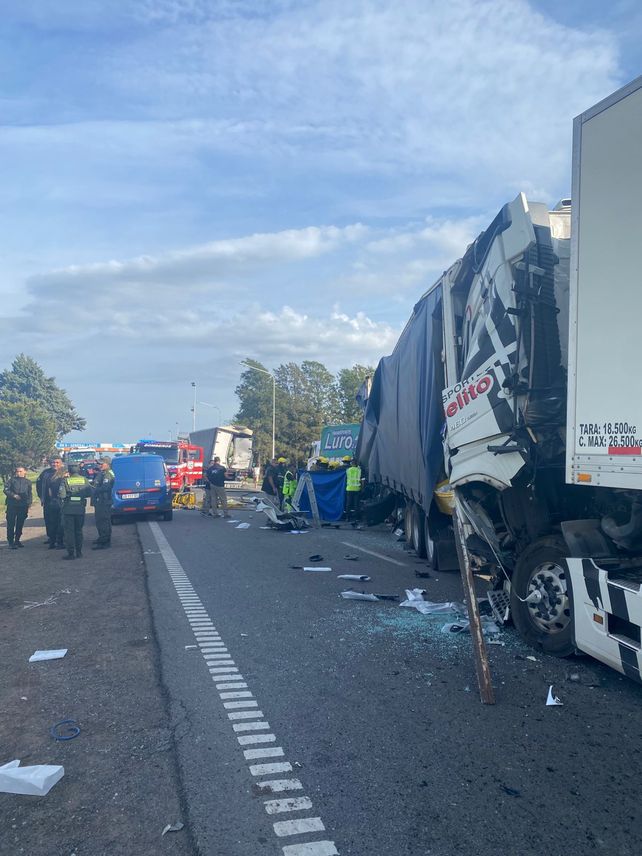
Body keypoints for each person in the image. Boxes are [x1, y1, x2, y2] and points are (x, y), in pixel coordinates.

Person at [58, 464, 92, 559]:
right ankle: (79, 552)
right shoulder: (84, 480)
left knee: (69, 532)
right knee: (78, 531)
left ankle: (71, 553)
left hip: (68, 510)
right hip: (80, 509)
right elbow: (89, 493)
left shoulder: (65, 481)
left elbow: (62, 495)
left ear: (69, 471)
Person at [4, 465, 32, 549]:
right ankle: (11, 542)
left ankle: (17, 540)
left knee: (20, 523)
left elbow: (29, 493)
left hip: (23, 505)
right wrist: (13, 495)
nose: (18, 473)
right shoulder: (11, 481)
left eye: (20, 471)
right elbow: (5, 490)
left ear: (25, 472)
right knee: (11, 523)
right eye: (17, 471)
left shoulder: (28, 482)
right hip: (12, 505)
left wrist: (29, 503)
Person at [43, 457, 66, 549]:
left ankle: (59, 541)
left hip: (62, 501)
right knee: (52, 522)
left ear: (61, 463)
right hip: (52, 502)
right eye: (53, 462)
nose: (55, 464)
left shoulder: (65, 473)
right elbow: (44, 487)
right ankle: (52, 541)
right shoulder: (46, 473)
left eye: (57, 462)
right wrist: (43, 498)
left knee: (60, 523)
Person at [91, 457, 115, 549]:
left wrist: (95, 490)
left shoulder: (108, 474)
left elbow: (106, 487)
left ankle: (105, 542)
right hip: (101, 501)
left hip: (104, 501)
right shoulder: (103, 473)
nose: (99, 465)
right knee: (101, 521)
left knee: (103, 521)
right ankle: (102, 538)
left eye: (101, 464)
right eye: (98, 463)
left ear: (107, 464)